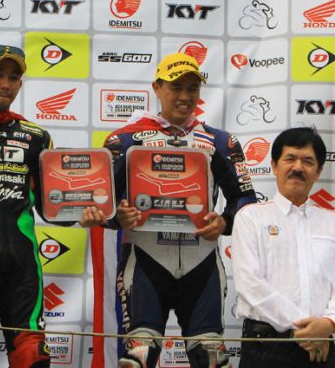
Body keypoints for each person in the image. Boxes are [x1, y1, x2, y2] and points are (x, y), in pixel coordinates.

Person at [0, 45, 105, 368]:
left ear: (20, 84)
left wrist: (80, 214)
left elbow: (50, 207)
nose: (5, 83)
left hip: (24, 259)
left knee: (33, 352)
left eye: (13, 77)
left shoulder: (36, 137)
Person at [101, 52, 256, 368]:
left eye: (192, 88)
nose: (185, 96)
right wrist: (118, 216)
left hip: (202, 263)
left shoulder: (220, 142)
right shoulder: (125, 140)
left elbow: (245, 200)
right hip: (146, 261)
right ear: (157, 88)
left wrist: (224, 222)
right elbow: (100, 201)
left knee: (212, 357)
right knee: (139, 356)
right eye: (176, 87)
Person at [231, 127, 335, 367]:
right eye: (290, 159)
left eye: (308, 161)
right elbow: (249, 283)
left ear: (318, 171)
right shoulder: (250, 218)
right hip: (266, 346)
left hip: (320, 346)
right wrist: (310, 330)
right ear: (274, 165)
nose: (298, 167)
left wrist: (329, 324)